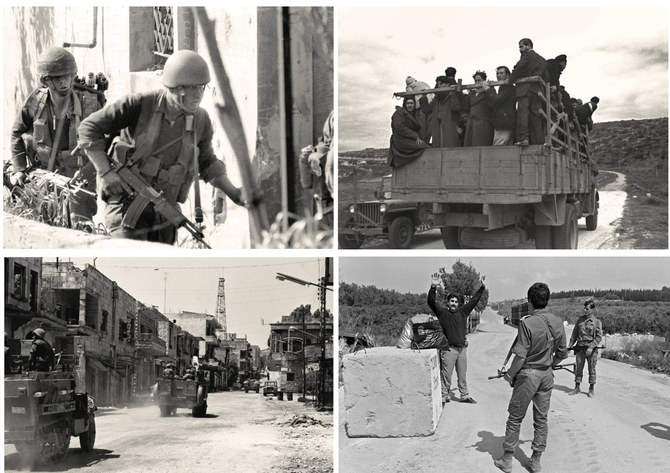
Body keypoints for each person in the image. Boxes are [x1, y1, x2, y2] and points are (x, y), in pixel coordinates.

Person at [78, 50, 243, 244]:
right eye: (189, 89)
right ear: (174, 87)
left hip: (166, 212)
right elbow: (88, 128)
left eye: (201, 88)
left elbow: (207, 163)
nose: (197, 95)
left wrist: (235, 194)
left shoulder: (200, 120)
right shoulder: (141, 104)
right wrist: (106, 172)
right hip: (127, 205)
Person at [8, 47, 103, 227]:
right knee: (43, 221)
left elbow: (105, 145)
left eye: (67, 77)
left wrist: (87, 173)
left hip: (79, 179)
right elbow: (16, 132)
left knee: (78, 225)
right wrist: (19, 168)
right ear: (46, 80)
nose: (64, 82)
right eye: (57, 78)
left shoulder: (90, 105)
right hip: (44, 175)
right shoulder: (36, 102)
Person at [494, 282, 568, 473]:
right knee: (541, 419)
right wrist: (549, 365)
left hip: (528, 376)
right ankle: (535, 461)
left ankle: (507, 459)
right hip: (546, 375)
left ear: (529, 301)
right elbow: (561, 353)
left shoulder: (527, 323)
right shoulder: (558, 322)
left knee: (515, 417)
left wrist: (510, 374)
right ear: (547, 300)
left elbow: (520, 357)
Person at [428, 273, 485, 405]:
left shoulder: (463, 312)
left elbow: (474, 301)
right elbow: (431, 302)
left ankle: (464, 395)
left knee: (462, 375)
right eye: (451, 301)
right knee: (446, 375)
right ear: (448, 303)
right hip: (449, 350)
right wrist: (433, 287)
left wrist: (481, 288)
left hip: (462, 349)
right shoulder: (443, 313)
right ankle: (444, 395)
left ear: (458, 303)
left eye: (456, 301)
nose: (454, 303)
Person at [508, 38, 549, 146]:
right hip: (537, 91)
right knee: (536, 116)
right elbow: (547, 77)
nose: (520, 49)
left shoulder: (526, 55)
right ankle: (538, 141)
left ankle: (523, 138)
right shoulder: (543, 60)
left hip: (524, 89)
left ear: (528, 46)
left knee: (523, 114)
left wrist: (510, 80)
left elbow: (519, 67)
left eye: (521, 46)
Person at [568, 298, 603, 398]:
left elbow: (599, 336)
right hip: (580, 348)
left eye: (587, 309)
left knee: (591, 369)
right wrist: (571, 344)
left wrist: (591, 347)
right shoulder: (580, 320)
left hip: (591, 349)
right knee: (578, 368)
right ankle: (577, 387)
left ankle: (591, 388)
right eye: (584, 308)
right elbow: (575, 333)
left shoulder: (596, 322)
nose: (585, 310)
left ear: (592, 310)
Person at [422, 75, 465, 148]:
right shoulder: (436, 99)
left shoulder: (452, 95)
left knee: (451, 151)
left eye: (441, 84)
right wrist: (423, 97)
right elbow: (427, 109)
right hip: (437, 129)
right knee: (438, 150)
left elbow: (456, 107)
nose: (439, 86)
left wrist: (454, 92)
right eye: (438, 84)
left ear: (447, 84)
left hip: (450, 129)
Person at [387, 96, 430, 167]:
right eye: (407, 103)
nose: (409, 105)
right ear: (404, 104)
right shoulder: (399, 113)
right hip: (400, 140)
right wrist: (415, 136)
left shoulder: (414, 115)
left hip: (409, 139)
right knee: (424, 147)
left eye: (411, 103)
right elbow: (400, 128)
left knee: (428, 146)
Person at [484, 66, 516, 145]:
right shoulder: (504, 87)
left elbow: (496, 100)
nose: (498, 75)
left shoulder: (508, 87)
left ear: (508, 75)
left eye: (501, 73)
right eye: (497, 73)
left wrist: (487, 89)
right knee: (505, 147)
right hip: (506, 121)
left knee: (498, 146)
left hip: (504, 122)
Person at [464, 71, 495, 147]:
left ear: (484, 80)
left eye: (479, 80)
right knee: (470, 145)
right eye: (476, 81)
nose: (477, 82)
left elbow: (493, 103)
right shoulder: (472, 93)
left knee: (481, 145)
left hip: (483, 122)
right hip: (471, 122)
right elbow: (465, 106)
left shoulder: (489, 90)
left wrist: (487, 89)